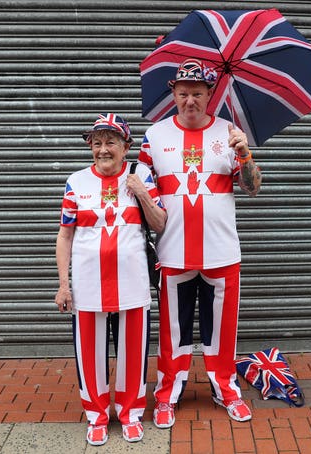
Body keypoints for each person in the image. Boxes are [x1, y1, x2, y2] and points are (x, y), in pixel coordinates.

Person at [138, 58, 262, 428]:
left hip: (222, 252)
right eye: (183, 93)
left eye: (197, 93)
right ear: (173, 94)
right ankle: (167, 395)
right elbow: (145, 193)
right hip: (173, 251)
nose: (190, 100)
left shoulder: (231, 132)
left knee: (222, 330)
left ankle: (226, 389)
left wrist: (245, 154)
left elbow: (252, 188)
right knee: (173, 332)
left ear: (210, 94)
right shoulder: (154, 136)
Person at [54, 114, 166, 446]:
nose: (104, 150)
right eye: (97, 143)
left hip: (132, 284)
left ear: (126, 147)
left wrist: (142, 194)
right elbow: (65, 236)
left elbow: (160, 223)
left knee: (134, 351)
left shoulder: (142, 175)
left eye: (111, 142)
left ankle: (131, 412)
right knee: (89, 353)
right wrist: (63, 283)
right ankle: (97, 415)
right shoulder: (76, 182)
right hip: (88, 286)